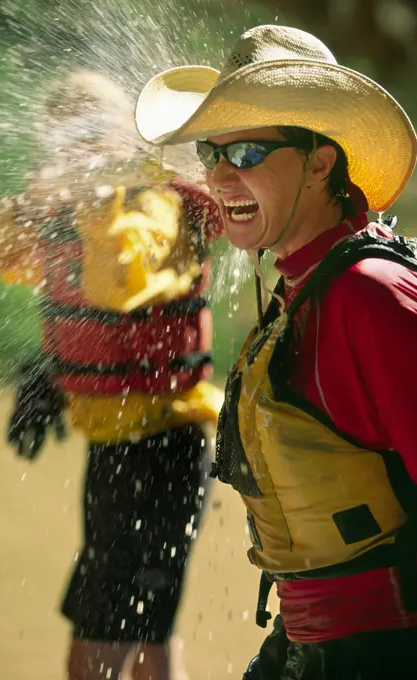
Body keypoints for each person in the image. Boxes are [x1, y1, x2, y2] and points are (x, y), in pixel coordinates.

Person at [135, 24, 417, 680]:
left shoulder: (368, 296)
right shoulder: (304, 287)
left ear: (321, 162)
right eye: (213, 150)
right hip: (311, 643)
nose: (220, 175)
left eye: (250, 152)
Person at [0, 70, 224, 680]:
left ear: (124, 139)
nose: (75, 152)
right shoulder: (69, 213)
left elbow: (122, 283)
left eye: (89, 136)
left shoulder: (154, 205)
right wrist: (40, 200)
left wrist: (95, 191)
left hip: (166, 447)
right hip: (114, 450)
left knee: (108, 647)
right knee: (141, 640)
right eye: (61, 141)